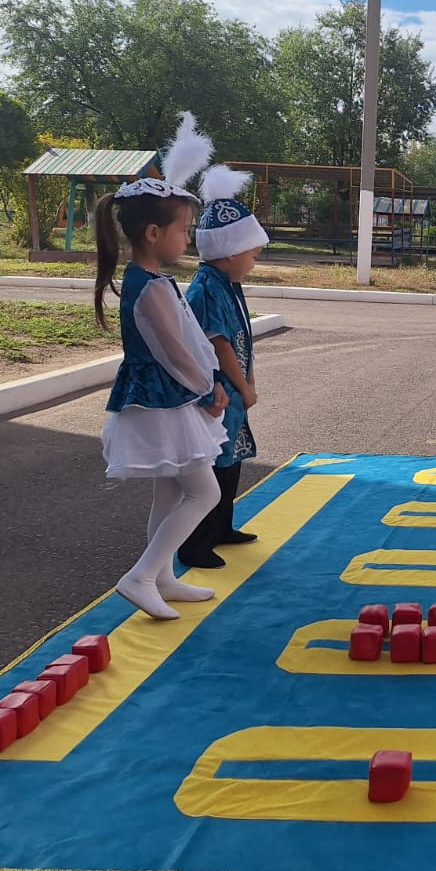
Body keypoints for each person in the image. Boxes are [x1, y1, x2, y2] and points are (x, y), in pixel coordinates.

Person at [93, 115, 229, 619]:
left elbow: (182, 345)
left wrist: (206, 380)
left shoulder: (147, 279)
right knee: (205, 492)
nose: (187, 240)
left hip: (166, 397)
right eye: (183, 231)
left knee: (170, 492)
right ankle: (141, 576)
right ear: (154, 233)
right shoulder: (148, 287)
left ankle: (163, 576)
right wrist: (207, 388)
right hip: (165, 400)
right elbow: (174, 352)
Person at [178, 164, 270, 568]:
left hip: (232, 391)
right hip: (216, 392)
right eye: (252, 255)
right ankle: (195, 543)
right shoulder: (207, 288)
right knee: (213, 468)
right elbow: (219, 345)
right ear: (230, 252)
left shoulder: (227, 283)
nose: (254, 262)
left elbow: (240, 337)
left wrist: (249, 380)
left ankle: (222, 528)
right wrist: (244, 386)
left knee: (230, 462)